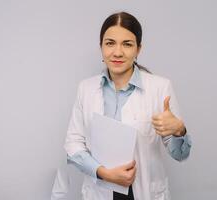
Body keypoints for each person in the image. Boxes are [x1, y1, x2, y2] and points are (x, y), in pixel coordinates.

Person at [64, 11, 192, 200]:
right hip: (99, 189)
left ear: (138, 49)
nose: (117, 52)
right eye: (110, 43)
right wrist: (103, 172)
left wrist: (179, 131)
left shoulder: (160, 87)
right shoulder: (86, 88)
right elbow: (73, 143)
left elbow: (180, 154)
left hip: (144, 192)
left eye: (127, 44)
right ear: (101, 47)